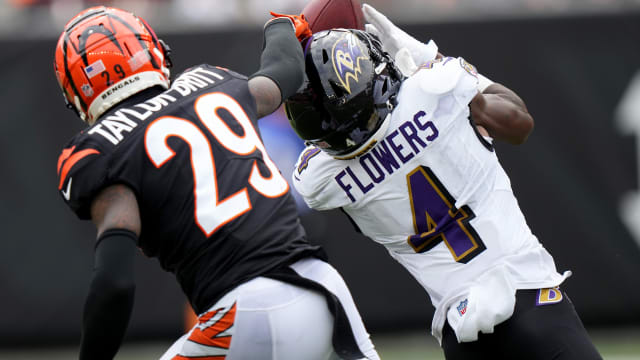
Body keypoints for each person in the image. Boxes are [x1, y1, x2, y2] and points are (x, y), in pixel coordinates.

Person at [53, 6, 379, 360]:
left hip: (246, 313)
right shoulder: (212, 84)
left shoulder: (101, 149)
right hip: (323, 287)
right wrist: (282, 26)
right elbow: (283, 71)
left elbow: (113, 284)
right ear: (152, 50)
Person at [284, 4, 602, 359]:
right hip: (529, 295)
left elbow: (336, 124)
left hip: (461, 332)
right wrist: (426, 56)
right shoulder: (433, 89)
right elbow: (519, 123)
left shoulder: (319, 179)